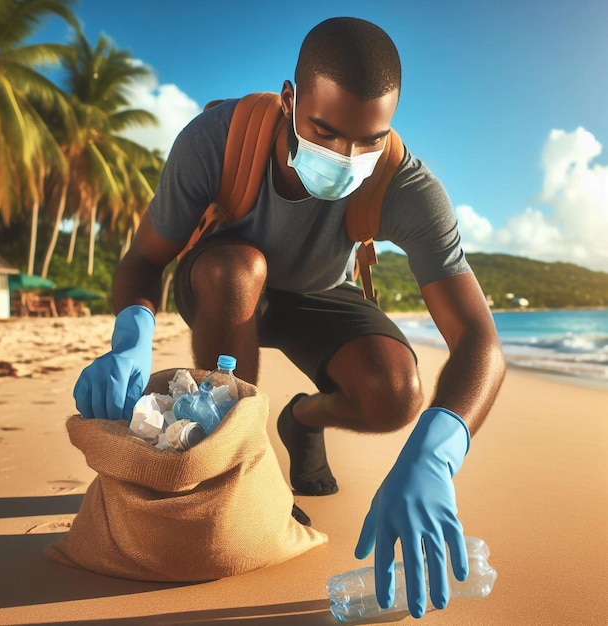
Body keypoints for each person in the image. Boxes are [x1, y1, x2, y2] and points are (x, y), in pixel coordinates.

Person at [74, 17, 506, 619]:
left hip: (317, 293)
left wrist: (436, 453)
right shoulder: (216, 139)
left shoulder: (405, 185)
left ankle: (300, 422)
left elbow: (479, 339)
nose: (345, 157)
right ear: (289, 100)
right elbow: (146, 258)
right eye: (324, 132)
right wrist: (131, 336)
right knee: (238, 269)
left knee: (395, 392)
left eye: (368, 140)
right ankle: (239, 469)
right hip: (223, 281)